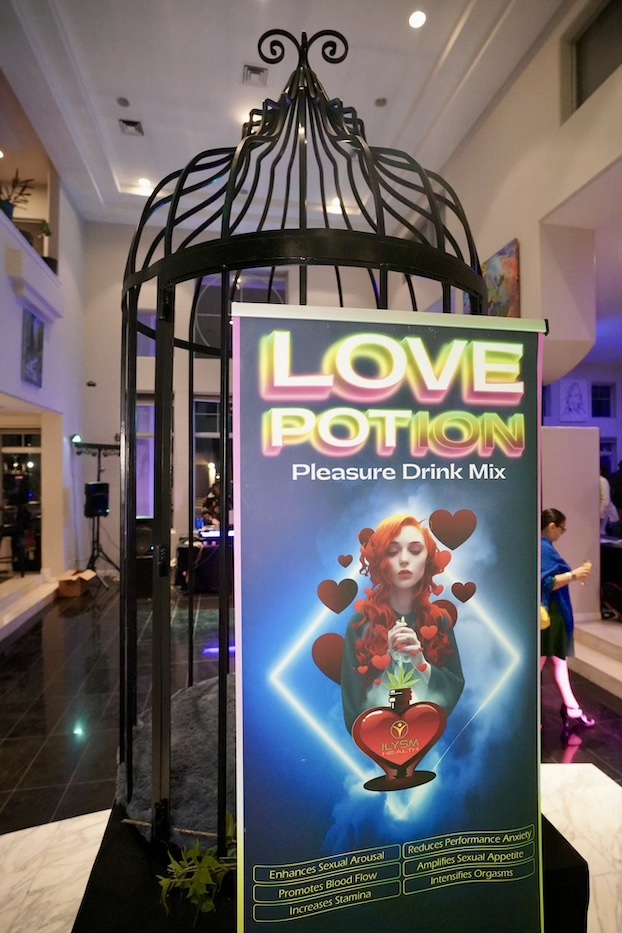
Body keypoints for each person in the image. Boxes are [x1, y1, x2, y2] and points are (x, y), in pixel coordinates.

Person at [341, 513, 464, 733]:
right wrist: (388, 660)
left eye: (415, 550)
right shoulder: (360, 624)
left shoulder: (440, 620)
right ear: (380, 560)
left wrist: (420, 662)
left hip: (425, 737)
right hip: (377, 741)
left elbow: (454, 688)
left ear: (427, 559)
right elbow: (354, 707)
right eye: (392, 551)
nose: (404, 559)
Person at [540, 508, 595, 735]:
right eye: (562, 529)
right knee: (549, 662)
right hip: (552, 615)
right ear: (552, 526)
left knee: (555, 662)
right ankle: (569, 709)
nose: (562, 533)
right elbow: (547, 582)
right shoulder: (544, 548)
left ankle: (571, 707)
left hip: (552, 615)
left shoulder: (543, 548)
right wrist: (574, 575)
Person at [599, 461, 618, 536]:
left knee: (601, 533)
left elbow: (606, 501)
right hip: (598, 514)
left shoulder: (602, 481)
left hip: (603, 514)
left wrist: (600, 515)